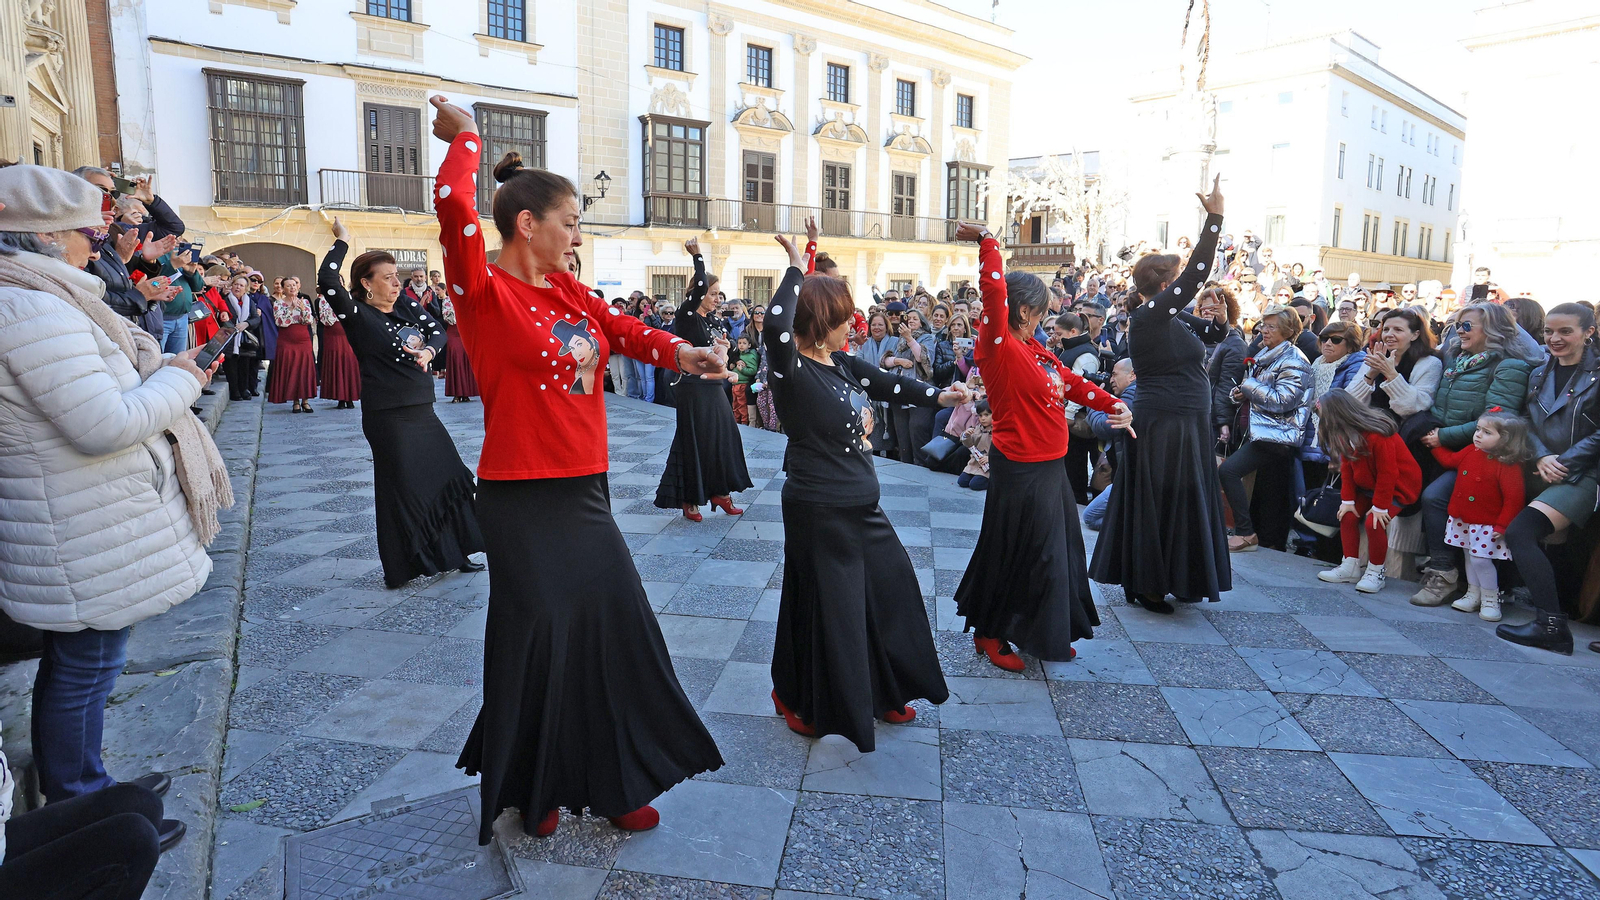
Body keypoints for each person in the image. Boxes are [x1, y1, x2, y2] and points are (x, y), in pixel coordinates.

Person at [428, 96, 725, 841]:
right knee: (539, 639)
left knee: (614, 629)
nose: (576, 237)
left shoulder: (566, 290)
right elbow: (453, 211)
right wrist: (466, 138)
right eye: (570, 223)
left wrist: (677, 352)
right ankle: (539, 785)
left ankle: (615, 775)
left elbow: (618, 328)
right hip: (520, 494)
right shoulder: (484, 292)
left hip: (582, 487)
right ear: (528, 224)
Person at [0, 166, 234, 849]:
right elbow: (100, 422)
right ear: (43, 235)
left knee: (93, 659)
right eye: (89, 231)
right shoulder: (31, 307)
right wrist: (180, 380)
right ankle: (81, 803)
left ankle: (90, 787)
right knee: (83, 664)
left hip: (82, 514)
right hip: (74, 519)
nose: (98, 244)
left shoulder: (39, 296)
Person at [761, 232, 962, 749]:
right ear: (819, 322)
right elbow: (775, 327)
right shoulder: (790, 368)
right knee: (824, 610)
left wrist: (939, 394)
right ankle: (794, 694)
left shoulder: (841, 362)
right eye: (844, 317)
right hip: (818, 507)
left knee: (888, 591)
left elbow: (888, 384)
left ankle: (882, 686)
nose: (854, 324)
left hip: (860, 503)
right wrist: (794, 269)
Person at [951, 221, 1131, 670]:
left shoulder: (1034, 350)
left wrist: (1115, 405)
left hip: (1050, 467)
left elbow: (1070, 383)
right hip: (1020, 469)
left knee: (1055, 555)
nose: (1047, 318)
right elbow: (992, 293)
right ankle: (990, 634)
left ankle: (1039, 629)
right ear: (1023, 311)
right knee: (1013, 554)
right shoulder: (998, 348)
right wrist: (989, 242)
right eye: (1042, 311)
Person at [317, 218, 484, 588]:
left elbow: (438, 330)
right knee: (403, 491)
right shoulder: (358, 315)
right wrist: (342, 241)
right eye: (388, 276)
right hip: (388, 417)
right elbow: (328, 281)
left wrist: (428, 349)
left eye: (397, 275)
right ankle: (404, 565)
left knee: (448, 477)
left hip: (423, 411)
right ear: (366, 283)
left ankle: (456, 553)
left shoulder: (407, 307)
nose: (397, 282)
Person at [1092, 177, 1231, 613]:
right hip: (1165, 421)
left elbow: (1213, 331)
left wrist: (1223, 319)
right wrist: (1215, 219)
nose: (1183, 287)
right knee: (1166, 497)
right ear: (1166, 284)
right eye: (1176, 281)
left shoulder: (1174, 317)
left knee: (1185, 497)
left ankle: (1180, 577)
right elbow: (1197, 273)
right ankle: (1149, 583)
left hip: (1187, 419)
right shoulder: (1151, 314)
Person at [1410, 303, 1534, 607]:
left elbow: (1495, 418)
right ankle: (1458, 578)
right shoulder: (1458, 358)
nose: (1459, 331)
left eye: (1467, 326)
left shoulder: (1509, 366)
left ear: (1491, 330)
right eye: (1457, 325)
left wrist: (1443, 436)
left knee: (1435, 498)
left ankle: (1445, 572)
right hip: (1446, 447)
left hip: (1481, 455)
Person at [1498, 304, 1600, 654]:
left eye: (1565, 331)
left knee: (1521, 532)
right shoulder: (1540, 372)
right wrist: (1542, 455)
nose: (1554, 339)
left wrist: (1564, 462)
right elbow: (1527, 419)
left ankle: (1551, 626)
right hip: (1542, 465)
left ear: (1588, 332)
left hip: (1585, 473)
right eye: (1548, 332)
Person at [655, 237, 752, 520]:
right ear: (700, 294)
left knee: (723, 435)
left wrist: (728, 346)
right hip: (692, 387)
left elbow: (729, 346)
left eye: (719, 294)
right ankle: (690, 498)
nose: (717, 299)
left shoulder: (713, 320)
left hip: (713, 386)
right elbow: (698, 286)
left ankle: (720, 493)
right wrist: (698, 256)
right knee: (694, 439)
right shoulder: (686, 314)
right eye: (713, 294)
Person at [1218, 305, 1313, 553]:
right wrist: (1238, 394)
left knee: (1228, 471)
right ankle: (1254, 534)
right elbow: (1253, 390)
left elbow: (1283, 401)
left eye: (1271, 326)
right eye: (1263, 324)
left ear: (1288, 330)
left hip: (1277, 435)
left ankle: (1247, 534)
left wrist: (1248, 386)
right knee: (1268, 495)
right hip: (1262, 432)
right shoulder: (1268, 355)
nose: (1263, 330)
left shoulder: (1295, 360)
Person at [1430, 409, 1531, 622]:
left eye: (1486, 432)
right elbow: (1450, 460)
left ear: (1505, 439)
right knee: (1469, 556)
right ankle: (1473, 593)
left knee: (1481, 560)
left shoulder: (1508, 464)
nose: (1478, 435)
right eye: (1478, 429)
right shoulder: (1470, 451)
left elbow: (1514, 498)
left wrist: (1503, 526)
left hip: (1488, 523)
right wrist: (1435, 445)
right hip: (1464, 518)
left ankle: (1491, 599)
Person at [1314, 391, 1422, 592]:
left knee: (1375, 523)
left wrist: (1380, 507)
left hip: (1398, 487)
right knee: (1347, 516)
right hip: (1368, 485)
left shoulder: (1378, 434)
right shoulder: (1345, 433)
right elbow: (1346, 467)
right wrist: (1347, 501)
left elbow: (1388, 473)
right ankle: (1350, 565)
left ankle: (1376, 571)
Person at [1082, 359, 1138, 532]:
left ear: (1132, 375)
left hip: (1132, 478)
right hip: (1129, 476)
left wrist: (1095, 397)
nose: (1111, 380)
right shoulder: (1134, 392)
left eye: (1114, 374)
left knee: (1090, 517)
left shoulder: (1133, 393)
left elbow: (1104, 427)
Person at [1204, 286, 1246, 455]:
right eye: (1203, 308)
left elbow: (1226, 387)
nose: (1206, 312)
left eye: (1213, 308)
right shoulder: (1195, 337)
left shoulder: (1234, 344)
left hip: (1212, 419)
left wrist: (1223, 424)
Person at [267, 282, 319, 413]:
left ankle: (305, 401)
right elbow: (280, 321)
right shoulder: (278, 303)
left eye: (294, 285)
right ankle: (295, 401)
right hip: (287, 338)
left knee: (304, 368)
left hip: (303, 339)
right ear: (284, 289)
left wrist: (301, 309)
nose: (292, 288)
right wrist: (291, 309)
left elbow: (308, 320)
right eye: (289, 286)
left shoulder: (305, 301)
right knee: (292, 367)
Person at [315, 286, 361, 410]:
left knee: (349, 363)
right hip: (332, 334)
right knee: (336, 363)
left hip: (348, 333)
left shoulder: (349, 297)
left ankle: (350, 397)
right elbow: (324, 319)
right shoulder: (323, 300)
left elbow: (355, 314)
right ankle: (340, 397)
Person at [219, 274, 262, 401]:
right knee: (231, 366)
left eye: (241, 285)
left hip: (244, 340)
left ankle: (244, 389)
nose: (238, 287)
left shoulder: (249, 302)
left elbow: (256, 318)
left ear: (246, 288)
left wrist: (246, 324)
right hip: (229, 337)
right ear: (232, 286)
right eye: (236, 284)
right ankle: (235, 391)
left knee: (244, 366)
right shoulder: (225, 300)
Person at [441, 293, 479, 403]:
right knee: (456, 358)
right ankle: (457, 393)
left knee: (467, 360)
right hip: (454, 331)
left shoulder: (470, 297)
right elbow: (448, 318)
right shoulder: (447, 299)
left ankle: (466, 393)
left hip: (467, 331)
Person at [958, 400, 993, 490]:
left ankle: (993, 482)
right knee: (962, 482)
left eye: (986, 415)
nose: (983, 418)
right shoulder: (977, 428)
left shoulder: (997, 431)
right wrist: (966, 435)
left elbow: (1001, 450)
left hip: (988, 466)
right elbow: (969, 444)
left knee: (975, 485)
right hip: (975, 463)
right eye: (980, 416)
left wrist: (990, 458)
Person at [729, 333, 758, 425]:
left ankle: (744, 422)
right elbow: (733, 364)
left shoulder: (751, 356)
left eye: (744, 343)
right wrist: (732, 366)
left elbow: (753, 370)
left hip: (743, 384)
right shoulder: (737, 355)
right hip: (735, 384)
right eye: (739, 343)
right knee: (735, 404)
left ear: (749, 345)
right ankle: (736, 421)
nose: (741, 345)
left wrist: (742, 369)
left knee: (742, 405)